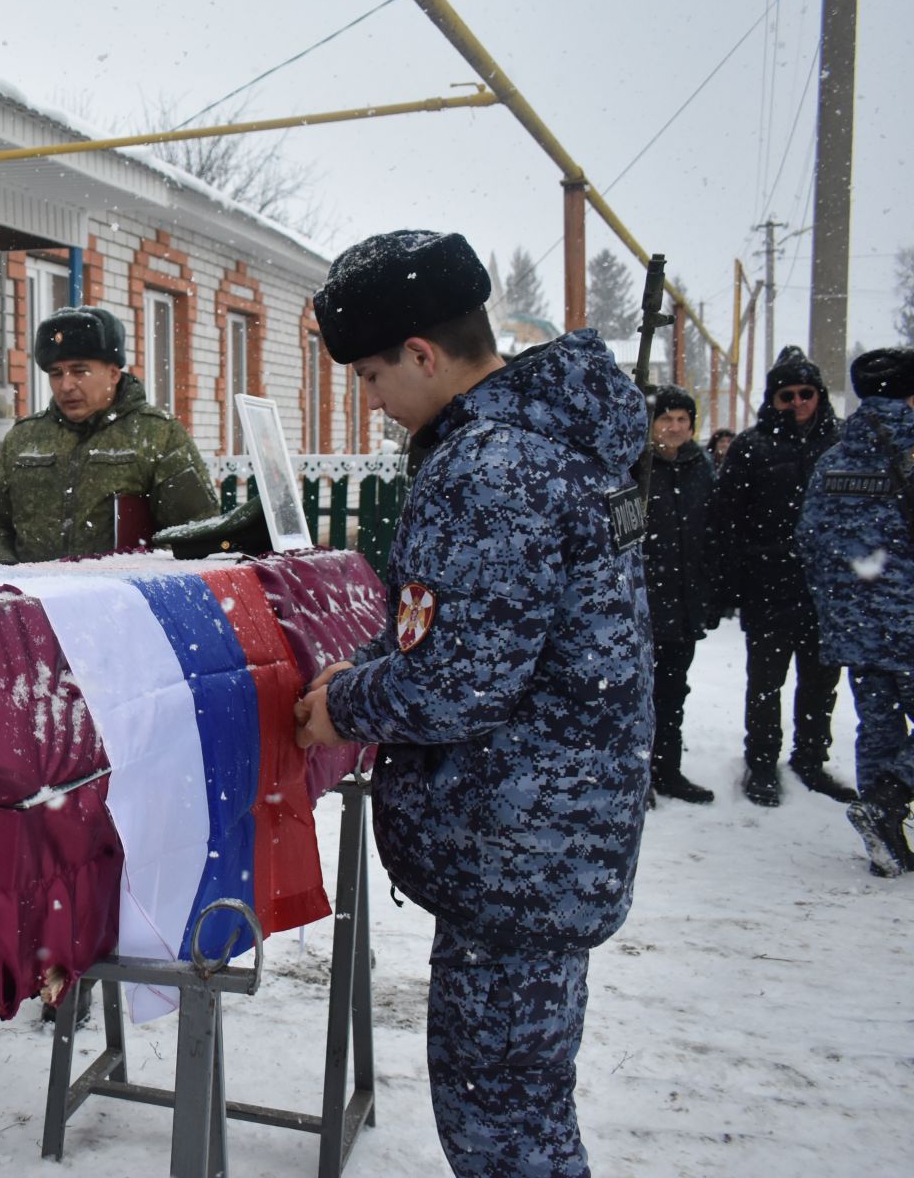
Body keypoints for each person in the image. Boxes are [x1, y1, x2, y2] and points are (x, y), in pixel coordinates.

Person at [292, 230, 650, 1177]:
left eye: (371, 378)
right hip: (551, 836)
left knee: (504, 1131)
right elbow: (450, 626)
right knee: (526, 1105)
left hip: (519, 852)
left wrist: (347, 705)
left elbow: (461, 682)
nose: (371, 404)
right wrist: (367, 670)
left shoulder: (492, 468)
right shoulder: (554, 441)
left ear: (422, 354)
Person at [0, 306, 220, 564]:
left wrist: (144, 578)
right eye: (56, 374)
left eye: (79, 371)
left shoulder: (158, 434)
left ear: (113, 373)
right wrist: (5, 573)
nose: (66, 385)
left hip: (123, 600)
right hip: (39, 599)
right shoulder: (23, 439)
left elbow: (197, 529)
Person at [710, 345, 852, 806]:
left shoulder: (841, 444)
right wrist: (732, 583)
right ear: (772, 398)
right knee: (765, 682)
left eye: (805, 393)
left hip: (825, 590)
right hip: (768, 587)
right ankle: (762, 762)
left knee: (820, 682)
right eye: (786, 395)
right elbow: (726, 519)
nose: (797, 403)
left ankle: (810, 759)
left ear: (819, 395)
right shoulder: (751, 447)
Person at [798, 347, 914, 876]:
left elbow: (809, 537)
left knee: (879, 723)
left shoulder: (836, 456)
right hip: (907, 616)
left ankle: (883, 835)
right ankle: (890, 800)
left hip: (855, 621)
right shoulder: (909, 448)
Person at [643, 385, 720, 804]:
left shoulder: (700, 467)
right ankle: (638, 776)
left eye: (682, 421)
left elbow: (713, 533)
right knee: (639, 696)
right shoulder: (637, 467)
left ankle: (666, 770)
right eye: (666, 419)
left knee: (674, 693)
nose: (674, 428)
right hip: (644, 603)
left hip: (685, 603)